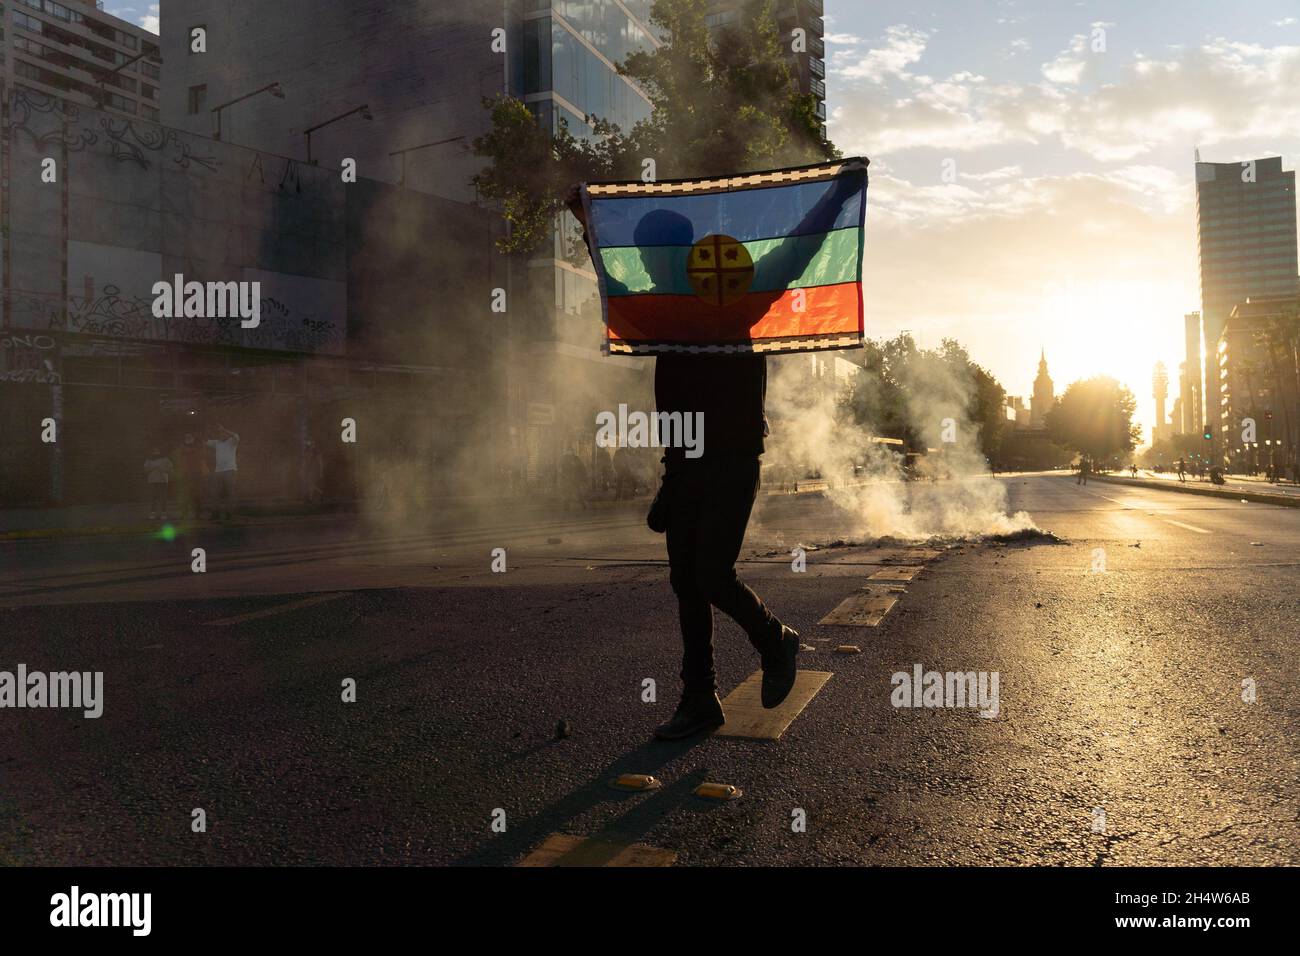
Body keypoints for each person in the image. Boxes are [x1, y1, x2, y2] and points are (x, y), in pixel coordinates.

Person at [568, 187, 802, 740]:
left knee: (711, 575)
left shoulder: (732, 298)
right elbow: (610, 285)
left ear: (684, 254)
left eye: (656, 255)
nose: (649, 266)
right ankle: (699, 697)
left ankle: (774, 639)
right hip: (683, 461)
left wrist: (836, 196)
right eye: (647, 258)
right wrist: (586, 223)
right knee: (687, 583)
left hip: (731, 458)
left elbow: (793, 253)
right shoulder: (658, 312)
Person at [207, 424, 240, 523]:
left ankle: (230, 514)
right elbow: (205, 442)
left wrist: (224, 429)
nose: (222, 435)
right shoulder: (216, 443)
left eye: (223, 434)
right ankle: (215, 514)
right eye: (220, 434)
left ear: (226, 434)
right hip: (218, 471)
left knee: (230, 493)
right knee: (215, 493)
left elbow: (237, 436)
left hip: (230, 470)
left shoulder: (231, 442)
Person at [177, 433, 205, 519]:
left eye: (190, 437)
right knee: (185, 495)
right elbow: (180, 457)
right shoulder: (182, 448)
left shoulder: (197, 448)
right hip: (185, 475)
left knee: (196, 495)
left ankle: (198, 514)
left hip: (195, 475)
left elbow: (200, 455)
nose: (188, 438)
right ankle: (184, 514)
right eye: (187, 437)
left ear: (193, 438)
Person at [143, 447, 173, 520]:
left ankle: (163, 513)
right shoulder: (149, 459)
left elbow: (171, 469)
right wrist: (153, 469)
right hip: (153, 481)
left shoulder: (165, 459)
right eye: (155, 450)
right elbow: (145, 469)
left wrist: (163, 469)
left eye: (158, 450)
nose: (156, 452)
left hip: (163, 480)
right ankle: (152, 514)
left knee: (163, 498)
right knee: (153, 498)